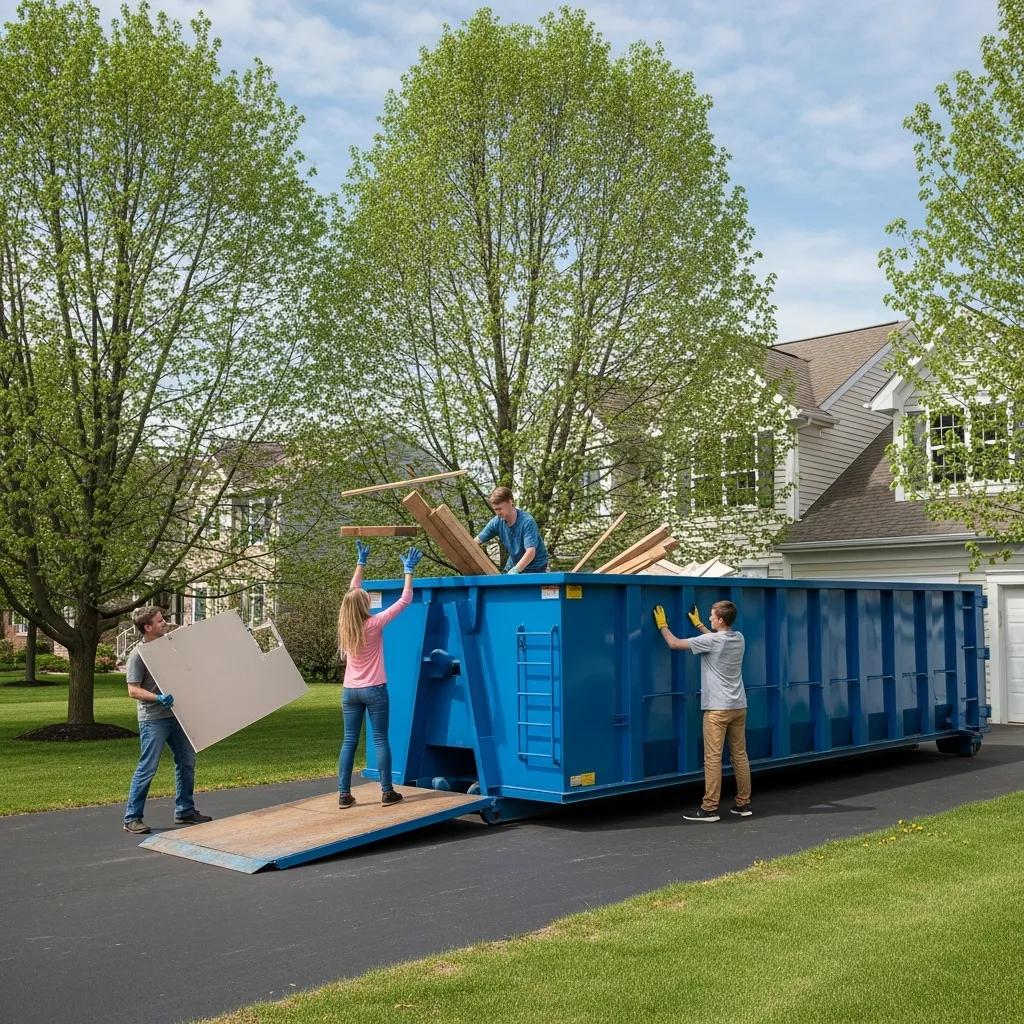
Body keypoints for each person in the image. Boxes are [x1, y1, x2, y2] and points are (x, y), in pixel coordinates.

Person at [336, 541, 422, 808]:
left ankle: (343, 794)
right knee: (381, 739)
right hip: (375, 690)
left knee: (349, 741)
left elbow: (352, 592)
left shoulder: (345, 625)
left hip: (350, 691)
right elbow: (405, 599)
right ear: (363, 606)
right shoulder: (374, 624)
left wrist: (360, 563)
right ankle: (387, 792)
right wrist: (408, 571)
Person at [653, 600, 752, 822]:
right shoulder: (739, 638)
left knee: (713, 759)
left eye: (711, 616)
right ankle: (743, 804)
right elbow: (714, 641)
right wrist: (699, 626)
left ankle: (709, 809)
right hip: (739, 706)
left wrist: (662, 625)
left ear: (721, 620)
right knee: (739, 756)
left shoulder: (712, 640)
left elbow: (675, 644)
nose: (708, 618)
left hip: (717, 710)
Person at [123, 607, 212, 834]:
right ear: (148, 627)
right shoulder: (138, 655)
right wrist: (158, 698)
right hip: (154, 719)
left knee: (187, 762)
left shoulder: (169, 646)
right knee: (148, 767)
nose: (165, 623)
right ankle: (132, 818)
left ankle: (185, 811)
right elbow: (133, 691)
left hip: (177, 716)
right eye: (160, 621)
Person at [474, 486, 549, 574]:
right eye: (495, 510)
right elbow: (476, 541)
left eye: (500, 509)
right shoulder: (497, 522)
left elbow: (531, 552)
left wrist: (515, 570)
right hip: (515, 562)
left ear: (510, 502)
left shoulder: (526, 522)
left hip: (535, 566)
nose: (498, 513)